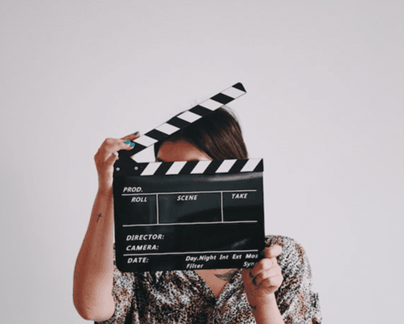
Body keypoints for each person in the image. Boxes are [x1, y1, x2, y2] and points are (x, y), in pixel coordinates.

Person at [73, 107, 322, 324]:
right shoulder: (139, 253)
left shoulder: (280, 257)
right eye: (163, 170)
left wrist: (263, 299)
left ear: (231, 172)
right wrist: (107, 190)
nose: (174, 186)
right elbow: (91, 307)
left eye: (191, 169)